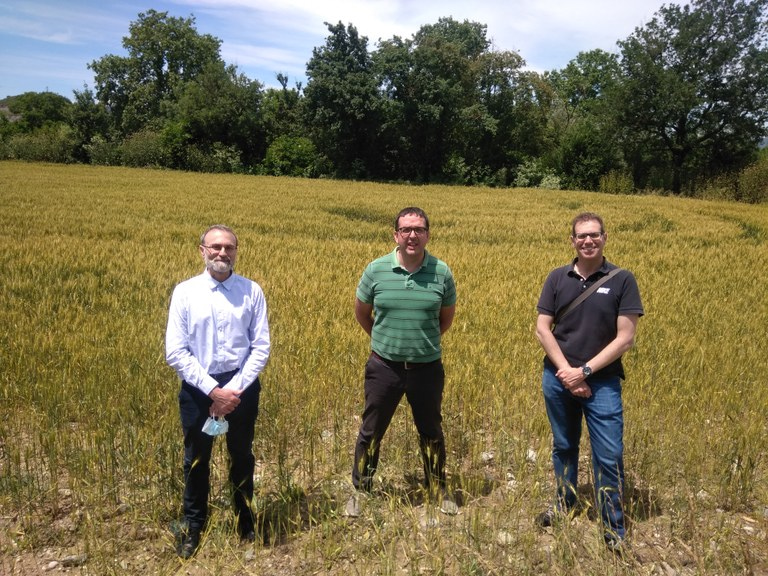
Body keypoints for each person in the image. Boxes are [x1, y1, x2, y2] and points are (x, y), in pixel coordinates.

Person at [534, 212, 643, 551]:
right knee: (563, 446)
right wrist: (567, 373)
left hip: (602, 384)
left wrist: (584, 373)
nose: (588, 241)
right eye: (581, 236)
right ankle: (564, 502)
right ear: (572, 240)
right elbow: (542, 328)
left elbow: (625, 338)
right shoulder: (557, 277)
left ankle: (613, 528)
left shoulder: (623, 279)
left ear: (604, 238)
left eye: (594, 235)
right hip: (557, 378)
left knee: (608, 454)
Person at [345, 207, 458, 518]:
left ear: (427, 235)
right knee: (371, 430)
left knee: (431, 430)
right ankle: (361, 490)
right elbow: (362, 313)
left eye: (419, 229)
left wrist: (419, 343)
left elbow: (444, 320)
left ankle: (437, 487)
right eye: (406, 229)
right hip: (384, 366)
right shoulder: (375, 270)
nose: (412, 235)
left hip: (427, 368)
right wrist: (386, 341)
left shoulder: (441, 272)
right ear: (396, 235)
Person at [166, 225, 270, 559]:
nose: (222, 253)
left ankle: (246, 520)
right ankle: (193, 525)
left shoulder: (252, 291)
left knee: (242, 455)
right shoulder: (185, 292)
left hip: (241, 388)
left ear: (236, 251)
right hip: (199, 389)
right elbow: (176, 352)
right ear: (202, 250)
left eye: (229, 247)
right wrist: (213, 390)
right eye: (215, 247)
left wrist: (232, 390)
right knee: (196, 459)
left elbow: (261, 347)